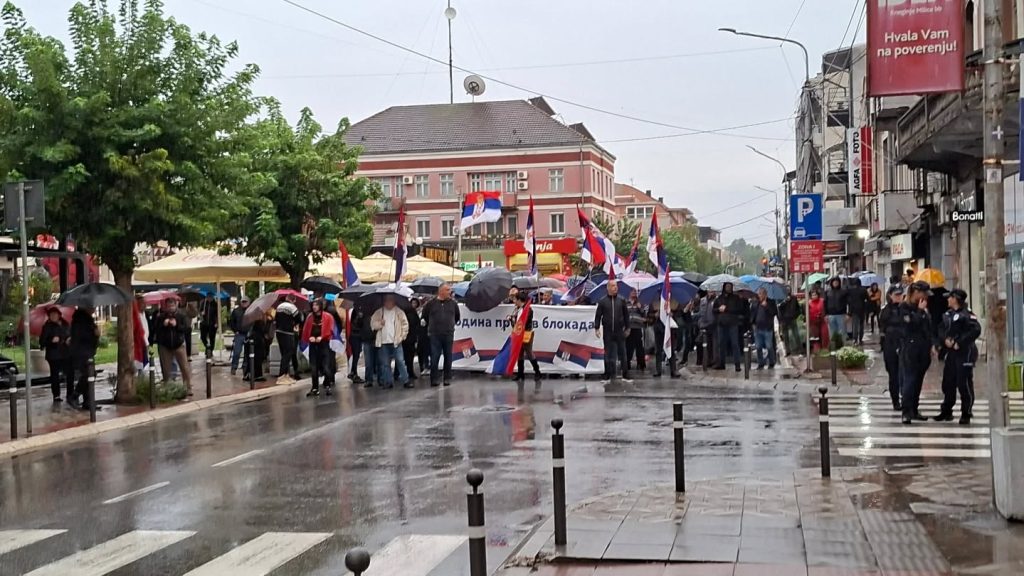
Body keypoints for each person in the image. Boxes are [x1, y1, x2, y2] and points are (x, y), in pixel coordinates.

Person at [935, 289, 981, 424]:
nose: (947, 300)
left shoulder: (967, 315)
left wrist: (959, 342)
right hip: (951, 352)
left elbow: (976, 330)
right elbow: (941, 329)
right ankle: (946, 410)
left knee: (963, 382)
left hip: (965, 352)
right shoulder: (948, 314)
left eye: (950, 297)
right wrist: (944, 340)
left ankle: (966, 412)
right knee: (948, 382)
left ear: (955, 299)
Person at [899, 281, 932, 425]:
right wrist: (919, 311)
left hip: (923, 348)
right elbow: (909, 324)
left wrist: (932, 345)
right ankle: (906, 411)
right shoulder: (904, 307)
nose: (925, 297)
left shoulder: (924, 308)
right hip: (910, 347)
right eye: (923, 294)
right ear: (916, 292)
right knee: (910, 379)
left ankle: (914, 408)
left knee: (918, 380)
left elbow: (928, 328)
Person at [153, 297, 193, 395]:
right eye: (169, 306)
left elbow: (186, 328)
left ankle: (188, 387)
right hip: (165, 346)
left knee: (184, 367)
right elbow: (155, 329)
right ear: (166, 306)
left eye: (172, 305)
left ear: (176, 305)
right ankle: (168, 388)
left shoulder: (181, 315)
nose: (171, 307)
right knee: (166, 369)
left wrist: (177, 325)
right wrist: (163, 325)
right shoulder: (161, 316)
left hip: (178, 344)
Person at [594, 279, 631, 383]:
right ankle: (607, 375)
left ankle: (625, 375)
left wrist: (628, 328)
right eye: (613, 286)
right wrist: (596, 328)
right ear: (608, 288)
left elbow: (626, 315)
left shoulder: (621, 300)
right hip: (608, 331)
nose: (615, 288)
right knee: (607, 353)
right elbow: (598, 316)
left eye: (616, 286)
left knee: (623, 353)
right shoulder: (602, 301)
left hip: (619, 331)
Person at [423, 284, 460, 387]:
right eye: (447, 290)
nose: (450, 292)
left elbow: (457, 317)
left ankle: (447, 378)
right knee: (435, 356)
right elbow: (425, 315)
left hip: (448, 333)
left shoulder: (453, 304)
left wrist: (450, 325)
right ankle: (434, 379)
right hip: (435, 334)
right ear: (441, 291)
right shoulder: (431, 304)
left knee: (448, 356)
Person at [372, 296, 411, 389]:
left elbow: (405, 325)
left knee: (400, 361)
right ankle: (388, 382)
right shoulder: (379, 312)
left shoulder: (399, 312)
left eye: (390, 300)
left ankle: (406, 380)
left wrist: (402, 336)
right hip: (383, 342)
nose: (388, 302)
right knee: (385, 364)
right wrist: (380, 324)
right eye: (386, 300)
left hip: (396, 341)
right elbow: (373, 325)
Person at [302, 299, 337, 397]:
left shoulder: (327, 316)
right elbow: (306, 330)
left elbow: (331, 330)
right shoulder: (310, 317)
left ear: (320, 306)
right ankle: (315, 388)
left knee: (326, 367)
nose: (314, 307)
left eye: (316, 305)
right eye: (313, 305)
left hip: (324, 344)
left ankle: (328, 385)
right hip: (313, 345)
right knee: (314, 367)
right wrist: (309, 337)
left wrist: (322, 337)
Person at [878, 286, 905, 410]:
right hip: (890, 344)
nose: (898, 297)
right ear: (890, 296)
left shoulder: (905, 309)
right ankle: (895, 401)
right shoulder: (886, 310)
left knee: (905, 373)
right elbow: (883, 326)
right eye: (896, 295)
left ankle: (906, 398)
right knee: (893, 374)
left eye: (900, 295)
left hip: (903, 344)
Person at [68, 307, 99, 410]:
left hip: (88, 351)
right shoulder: (79, 321)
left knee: (90, 375)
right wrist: (93, 333)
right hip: (81, 352)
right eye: (92, 307)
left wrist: (96, 334)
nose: (94, 309)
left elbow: (92, 339)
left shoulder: (89, 320)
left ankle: (88, 401)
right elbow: (80, 337)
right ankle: (74, 395)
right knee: (89, 374)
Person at [40, 307, 72, 403]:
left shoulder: (65, 324)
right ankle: (56, 395)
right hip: (53, 355)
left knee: (70, 373)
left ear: (59, 315)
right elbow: (42, 342)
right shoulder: (47, 327)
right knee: (55, 375)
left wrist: (68, 339)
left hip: (66, 353)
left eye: (55, 314)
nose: (53, 316)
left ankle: (70, 394)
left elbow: (69, 334)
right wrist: (51, 341)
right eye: (51, 315)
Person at [712, 283, 744, 372]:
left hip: (732, 323)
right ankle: (721, 363)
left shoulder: (736, 298)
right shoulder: (719, 299)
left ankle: (737, 364)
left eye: (730, 287)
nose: (729, 288)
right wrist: (719, 309)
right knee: (721, 344)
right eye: (727, 287)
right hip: (721, 323)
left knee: (735, 344)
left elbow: (739, 309)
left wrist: (727, 309)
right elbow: (714, 310)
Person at [512, 292, 541, 382]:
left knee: (529, 352)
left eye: (515, 299)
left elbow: (524, 321)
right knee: (519, 353)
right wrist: (511, 319)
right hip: (519, 333)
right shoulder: (517, 309)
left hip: (526, 333)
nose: (514, 301)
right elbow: (516, 323)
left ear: (519, 300)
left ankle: (537, 372)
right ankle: (520, 374)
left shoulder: (528, 310)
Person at [274, 299, 301, 381]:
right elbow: (299, 319)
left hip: (279, 332)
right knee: (288, 353)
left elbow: (276, 319)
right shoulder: (292, 307)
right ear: (293, 300)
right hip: (288, 333)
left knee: (284, 354)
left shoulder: (279, 307)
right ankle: (282, 376)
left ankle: (285, 375)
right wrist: (294, 324)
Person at [751, 287, 778, 370]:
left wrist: (766, 306)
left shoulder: (771, 302)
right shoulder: (756, 303)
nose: (759, 295)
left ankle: (771, 362)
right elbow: (752, 314)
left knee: (769, 346)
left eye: (761, 294)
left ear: (765, 294)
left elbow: (774, 312)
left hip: (767, 328)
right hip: (758, 328)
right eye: (758, 294)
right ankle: (760, 363)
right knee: (758, 346)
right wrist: (752, 323)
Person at [625, 292, 647, 373]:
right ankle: (627, 363)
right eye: (632, 291)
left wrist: (640, 308)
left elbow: (644, 316)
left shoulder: (640, 302)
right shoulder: (625, 303)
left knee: (639, 347)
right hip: (628, 327)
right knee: (628, 346)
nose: (634, 293)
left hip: (638, 327)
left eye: (635, 291)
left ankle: (641, 364)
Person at [358, 304, 379, 388]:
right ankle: (369, 379)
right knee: (368, 362)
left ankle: (380, 378)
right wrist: (360, 317)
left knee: (379, 361)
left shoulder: (378, 312)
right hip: (367, 339)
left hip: (377, 339)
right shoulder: (363, 313)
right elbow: (358, 325)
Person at [823, 277, 848, 348]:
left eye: (837, 281)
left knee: (842, 333)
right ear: (831, 283)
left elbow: (849, 302)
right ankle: (834, 348)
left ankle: (842, 348)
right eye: (834, 282)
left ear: (839, 283)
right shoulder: (827, 292)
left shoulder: (843, 291)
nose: (835, 283)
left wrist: (848, 314)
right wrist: (825, 315)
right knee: (832, 334)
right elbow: (825, 304)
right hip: (830, 315)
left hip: (841, 315)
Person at [228, 297, 249, 376]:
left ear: (248, 302)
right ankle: (234, 367)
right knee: (237, 352)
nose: (244, 303)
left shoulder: (251, 311)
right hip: (239, 334)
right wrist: (235, 330)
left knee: (247, 353)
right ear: (240, 302)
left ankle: (245, 367)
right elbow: (231, 322)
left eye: (245, 302)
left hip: (248, 334)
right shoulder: (236, 311)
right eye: (243, 302)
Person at [778, 290, 801, 356]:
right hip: (784, 320)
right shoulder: (781, 298)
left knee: (796, 334)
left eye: (789, 291)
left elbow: (798, 308)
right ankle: (787, 351)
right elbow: (779, 307)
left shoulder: (794, 298)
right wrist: (784, 301)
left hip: (792, 319)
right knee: (785, 336)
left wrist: (795, 315)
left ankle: (800, 349)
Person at [696, 290, 716, 368]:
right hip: (703, 324)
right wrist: (700, 323)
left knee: (711, 344)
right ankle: (702, 360)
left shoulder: (716, 300)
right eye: (710, 291)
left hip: (712, 324)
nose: (711, 293)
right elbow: (701, 312)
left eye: (712, 291)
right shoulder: (703, 300)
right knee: (700, 342)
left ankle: (711, 360)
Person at [403, 298, 422, 379]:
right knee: (408, 356)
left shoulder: (410, 312)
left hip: (409, 337)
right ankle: (409, 372)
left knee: (406, 356)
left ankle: (404, 372)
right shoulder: (411, 312)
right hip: (408, 337)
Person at [846, 280, 868, 345]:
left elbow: (849, 300)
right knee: (861, 325)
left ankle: (855, 339)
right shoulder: (863, 290)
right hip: (862, 309)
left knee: (855, 325)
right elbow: (867, 299)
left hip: (854, 309)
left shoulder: (851, 290)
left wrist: (849, 311)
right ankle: (860, 339)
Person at [347, 306, 365, 384]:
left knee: (356, 355)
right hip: (356, 336)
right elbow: (357, 324)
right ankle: (353, 373)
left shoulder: (354, 311)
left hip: (355, 336)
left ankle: (353, 372)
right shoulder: (358, 312)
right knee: (356, 355)